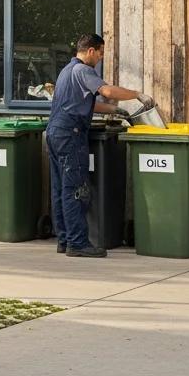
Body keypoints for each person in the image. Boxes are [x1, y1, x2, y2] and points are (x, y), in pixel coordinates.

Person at [46, 33, 152, 257]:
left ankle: (64, 239)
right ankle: (78, 244)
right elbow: (107, 91)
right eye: (101, 53)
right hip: (70, 135)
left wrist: (117, 110)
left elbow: (88, 103)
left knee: (59, 188)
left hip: (55, 133)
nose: (101, 58)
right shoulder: (83, 70)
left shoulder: (66, 72)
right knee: (75, 189)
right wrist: (137, 95)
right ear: (91, 51)